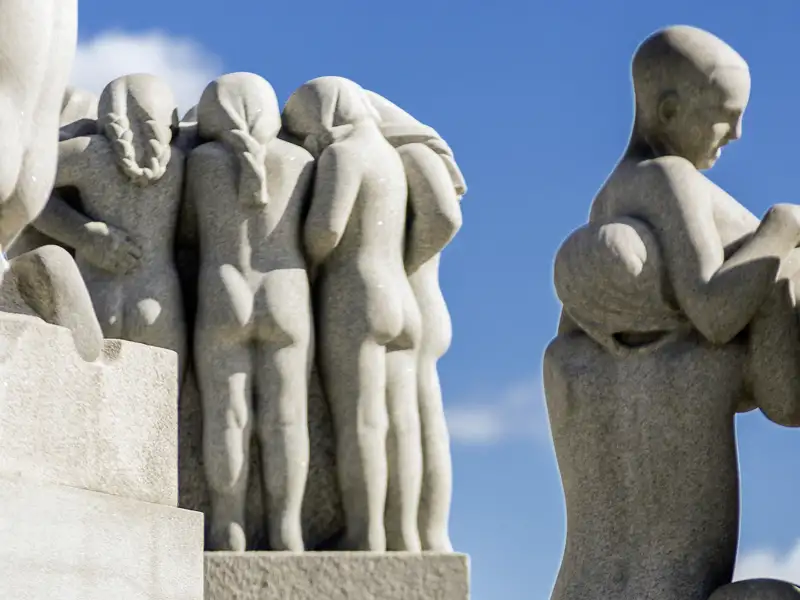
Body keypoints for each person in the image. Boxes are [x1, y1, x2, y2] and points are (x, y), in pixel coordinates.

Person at [546, 25, 800, 600]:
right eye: (725, 116)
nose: (737, 133)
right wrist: (782, 227)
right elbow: (716, 313)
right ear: (667, 110)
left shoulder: (568, 363)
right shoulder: (669, 176)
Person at [283, 76, 423, 551]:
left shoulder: (344, 156)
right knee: (401, 423)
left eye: (305, 132)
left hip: (356, 296)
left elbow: (325, 232)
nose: (310, 142)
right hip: (401, 297)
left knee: (361, 422)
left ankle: (366, 533)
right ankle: (402, 530)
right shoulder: (389, 155)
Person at [184, 72, 315, 552]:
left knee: (228, 415)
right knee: (287, 417)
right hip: (286, 290)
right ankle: (286, 528)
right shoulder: (300, 160)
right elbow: (316, 236)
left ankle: (228, 525)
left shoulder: (200, 164)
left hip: (224, 286)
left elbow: (189, 235)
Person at [365, 89, 466, 552]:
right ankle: (423, 534)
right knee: (414, 422)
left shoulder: (407, 153)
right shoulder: (405, 154)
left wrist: (398, 264)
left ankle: (422, 534)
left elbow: (445, 217)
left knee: (408, 422)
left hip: (407, 300)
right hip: (417, 303)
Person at [51, 74, 187, 377]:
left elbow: (25, 191)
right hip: (158, 300)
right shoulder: (183, 164)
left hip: (95, 297)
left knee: (88, 409)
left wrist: (81, 233)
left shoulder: (87, 152)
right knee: (160, 417)